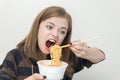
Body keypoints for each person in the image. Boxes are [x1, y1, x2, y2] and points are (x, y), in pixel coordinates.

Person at [0, 6, 105, 80]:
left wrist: (86, 52)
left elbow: (101, 56)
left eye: (62, 31)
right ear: (37, 28)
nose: (55, 34)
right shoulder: (15, 57)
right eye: (49, 27)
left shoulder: (67, 57)